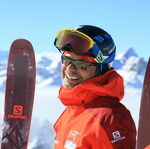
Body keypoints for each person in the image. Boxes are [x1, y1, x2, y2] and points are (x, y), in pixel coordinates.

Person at [53, 25, 136, 149]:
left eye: (81, 64)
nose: (70, 68)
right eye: (66, 60)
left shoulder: (110, 118)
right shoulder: (70, 112)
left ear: (101, 69)